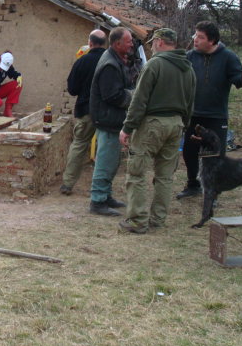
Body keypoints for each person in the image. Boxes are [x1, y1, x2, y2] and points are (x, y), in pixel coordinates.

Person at [118, 28, 196, 233]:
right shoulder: (188, 68)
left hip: (152, 124)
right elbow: (190, 102)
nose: (151, 47)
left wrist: (127, 127)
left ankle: (137, 220)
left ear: (160, 42)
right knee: (165, 176)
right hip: (176, 124)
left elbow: (139, 99)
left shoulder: (154, 65)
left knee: (137, 172)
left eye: (153, 43)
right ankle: (158, 219)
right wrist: (184, 125)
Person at [176, 21, 242, 199]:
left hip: (216, 116)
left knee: (215, 156)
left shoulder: (228, 57)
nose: (195, 39)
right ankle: (193, 185)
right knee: (189, 152)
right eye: (195, 35)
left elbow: (238, 80)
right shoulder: (190, 56)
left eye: (200, 37)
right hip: (193, 114)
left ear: (212, 41)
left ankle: (213, 191)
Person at [88, 27, 135, 216]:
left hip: (111, 119)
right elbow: (112, 95)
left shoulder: (114, 60)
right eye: (129, 41)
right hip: (107, 119)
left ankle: (105, 196)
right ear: (117, 44)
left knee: (111, 160)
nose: (132, 44)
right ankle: (97, 201)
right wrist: (133, 95)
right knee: (105, 161)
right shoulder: (110, 65)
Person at [59, 29, 107, 195]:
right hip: (108, 112)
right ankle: (103, 187)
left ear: (91, 43)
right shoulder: (113, 60)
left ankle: (67, 183)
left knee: (79, 145)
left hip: (86, 110)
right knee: (107, 147)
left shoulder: (82, 61)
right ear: (104, 43)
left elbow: (72, 89)